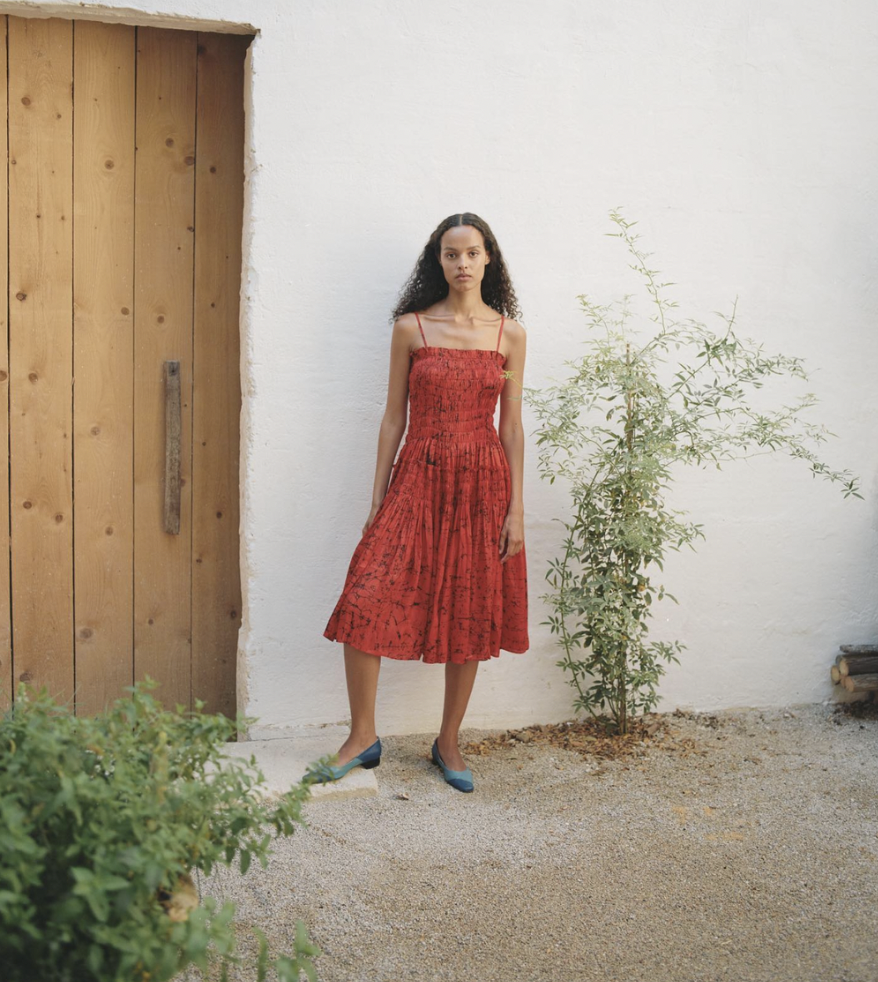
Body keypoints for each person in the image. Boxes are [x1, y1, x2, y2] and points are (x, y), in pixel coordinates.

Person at [316, 213, 529, 793]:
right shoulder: (412, 329)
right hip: (418, 475)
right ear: (437, 260)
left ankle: (448, 741)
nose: (462, 264)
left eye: (472, 253)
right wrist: (378, 495)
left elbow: (511, 428)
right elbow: (393, 417)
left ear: (490, 259)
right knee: (366, 596)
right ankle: (363, 738)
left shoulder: (509, 334)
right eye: (450, 254)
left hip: (483, 483)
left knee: (470, 608)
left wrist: (517, 509)